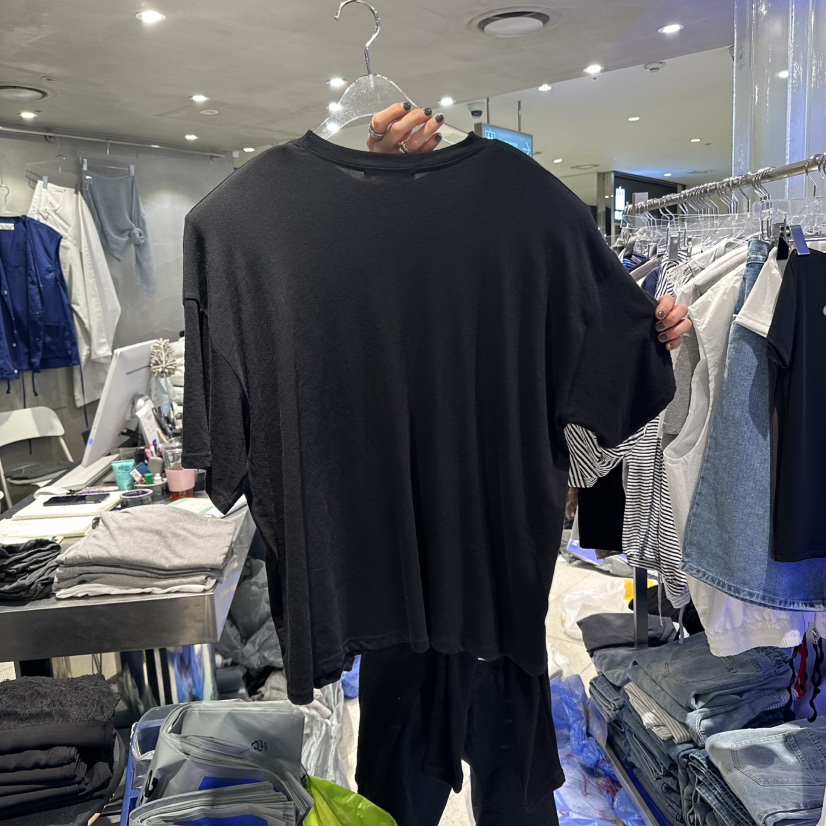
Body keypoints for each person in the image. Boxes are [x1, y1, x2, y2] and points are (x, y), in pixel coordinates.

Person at [366, 103, 692, 348]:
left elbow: (598, 342)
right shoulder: (402, 255)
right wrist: (382, 188)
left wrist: (647, 331)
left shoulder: (544, 262)